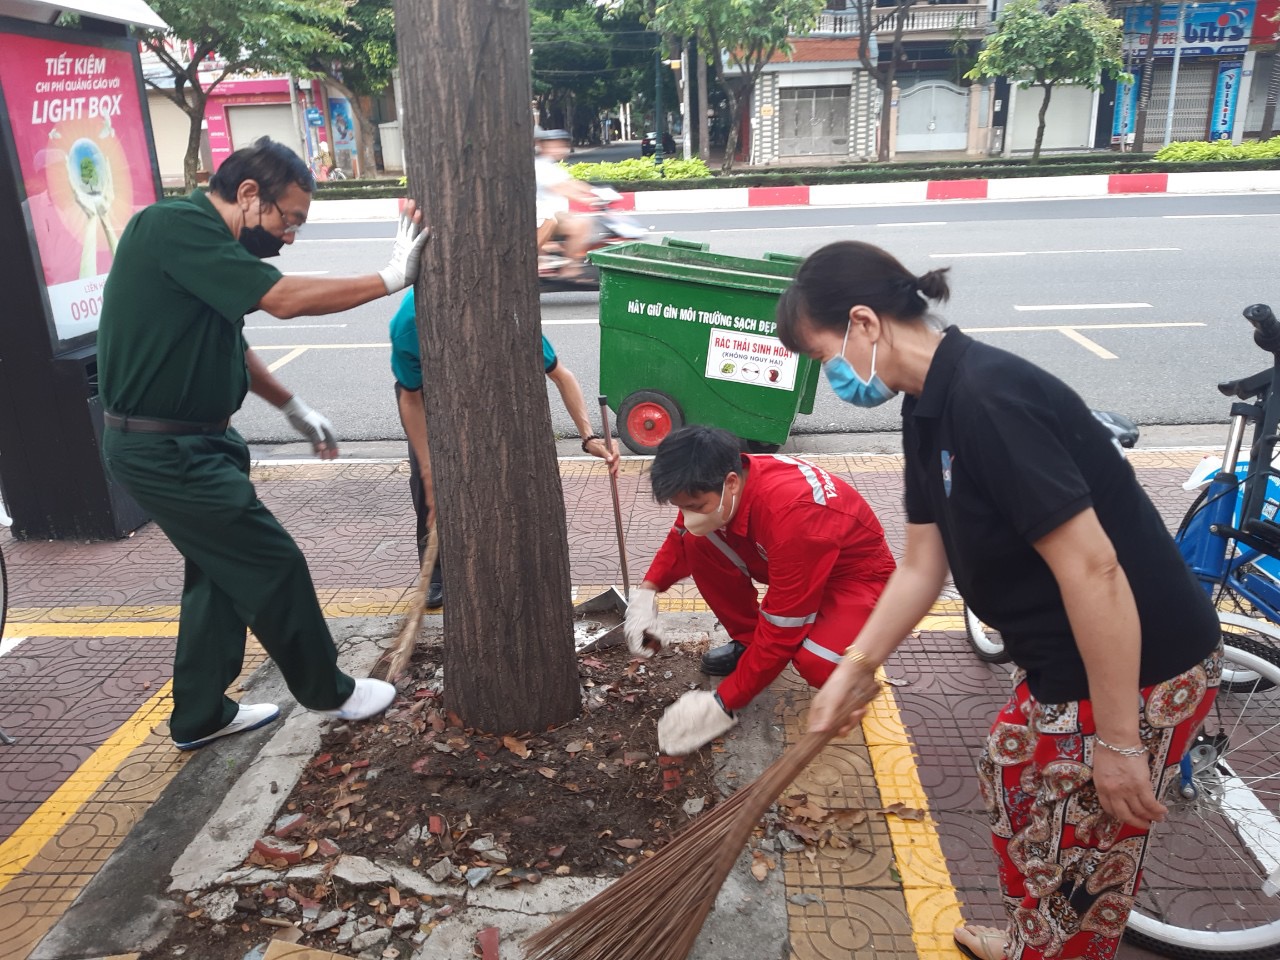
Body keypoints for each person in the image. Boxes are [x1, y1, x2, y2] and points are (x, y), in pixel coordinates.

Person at [776, 240, 1222, 960]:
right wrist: (853, 668)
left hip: (1137, 666)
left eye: (820, 353)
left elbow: (1096, 571)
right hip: (1058, 661)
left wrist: (1116, 742)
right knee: (1010, 777)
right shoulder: (927, 404)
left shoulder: (988, 398)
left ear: (864, 323)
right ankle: (1026, 939)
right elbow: (923, 564)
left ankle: (1051, 945)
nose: (829, 376)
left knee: (1079, 874)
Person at [98, 137, 430, 751]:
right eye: (289, 218)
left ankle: (200, 716)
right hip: (165, 453)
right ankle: (331, 691)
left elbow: (229, 341)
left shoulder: (206, 249)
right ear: (249, 194)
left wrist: (292, 407)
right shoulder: (171, 226)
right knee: (271, 562)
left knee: (220, 577)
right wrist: (389, 278)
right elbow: (281, 299)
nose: (290, 236)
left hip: (199, 445)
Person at [623, 425, 894, 756]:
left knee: (816, 661)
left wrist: (722, 703)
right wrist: (646, 595)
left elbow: (782, 632)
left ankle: (849, 657)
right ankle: (748, 645)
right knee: (697, 542)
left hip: (854, 579)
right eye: (682, 506)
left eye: (695, 504)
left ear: (731, 483)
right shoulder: (726, 483)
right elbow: (682, 534)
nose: (687, 515)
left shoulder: (794, 517)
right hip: (789, 559)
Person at [389, 287, 620, 607]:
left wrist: (589, 438)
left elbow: (561, 376)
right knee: (426, 485)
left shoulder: (509, 320)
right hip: (427, 398)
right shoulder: (409, 327)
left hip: (487, 395)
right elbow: (410, 399)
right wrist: (428, 470)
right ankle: (435, 573)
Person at [534, 129, 594, 280]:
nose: (560, 149)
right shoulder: (540, 166)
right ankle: (570, 268)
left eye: (562, 145)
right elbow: (559, 187)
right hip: (547, 215)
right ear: (543, 146)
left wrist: (597, 192)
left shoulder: (552, 166)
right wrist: (587, 200)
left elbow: (571, 183)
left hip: (557, 214)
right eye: (555, 145)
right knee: (580, 225)